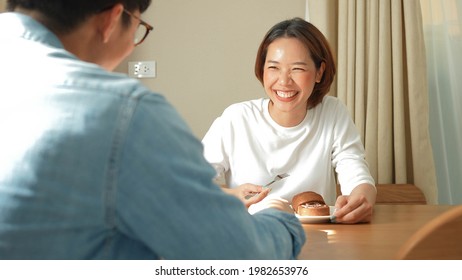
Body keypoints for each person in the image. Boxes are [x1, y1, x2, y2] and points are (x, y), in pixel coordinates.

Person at [0, 0, 305, 259]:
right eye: (138, 28)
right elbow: (239, 254)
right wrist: (280, 217)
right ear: (112, 19)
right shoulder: (123, 111)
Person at [202, 18, 376, 223]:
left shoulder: (332, 112)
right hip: (251, 237)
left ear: (319, 71)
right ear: (262, 69)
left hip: (317, 239)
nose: (284, 81)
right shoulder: (236, 118)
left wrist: (362, 199)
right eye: (274, 68)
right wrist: (230, 195)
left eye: (298, 69)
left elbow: (354, 170)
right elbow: (191, 182)